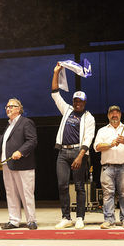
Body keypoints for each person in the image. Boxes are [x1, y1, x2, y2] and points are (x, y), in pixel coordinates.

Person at [51, 63, 96, 229]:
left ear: (85, 102)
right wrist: (56, 72)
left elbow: (89, 138)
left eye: (80, 101)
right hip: (63, 152)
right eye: (75, 100)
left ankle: (79, 218)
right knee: (62, 185)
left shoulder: (89, 118)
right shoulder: (67, 110)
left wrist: (80, 156)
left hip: (78, 151)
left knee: (79, 186)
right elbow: (55, 94)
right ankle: (65, 217)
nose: (77, 103)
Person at [94, 106, 124, 229]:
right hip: (107, 168)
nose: (114, 115)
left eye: (117, 113)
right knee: (108, 194)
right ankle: (108, 220)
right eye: (112, 113)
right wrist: (109, 144)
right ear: (108, 116)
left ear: (120, 115)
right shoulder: (102, 131)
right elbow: (96, 147)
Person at [0, 98, 38, 230]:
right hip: (8, 165)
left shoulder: (26, 122)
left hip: (23, 165)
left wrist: (20, 152)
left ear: (18, 109)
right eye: (7, 107)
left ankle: (31, 220)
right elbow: (7, 143)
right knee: (11, 193)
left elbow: (32, 141)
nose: (8, 109)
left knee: (26, 193)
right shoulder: (9, 125)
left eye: (11, 106)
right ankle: (14, 220)